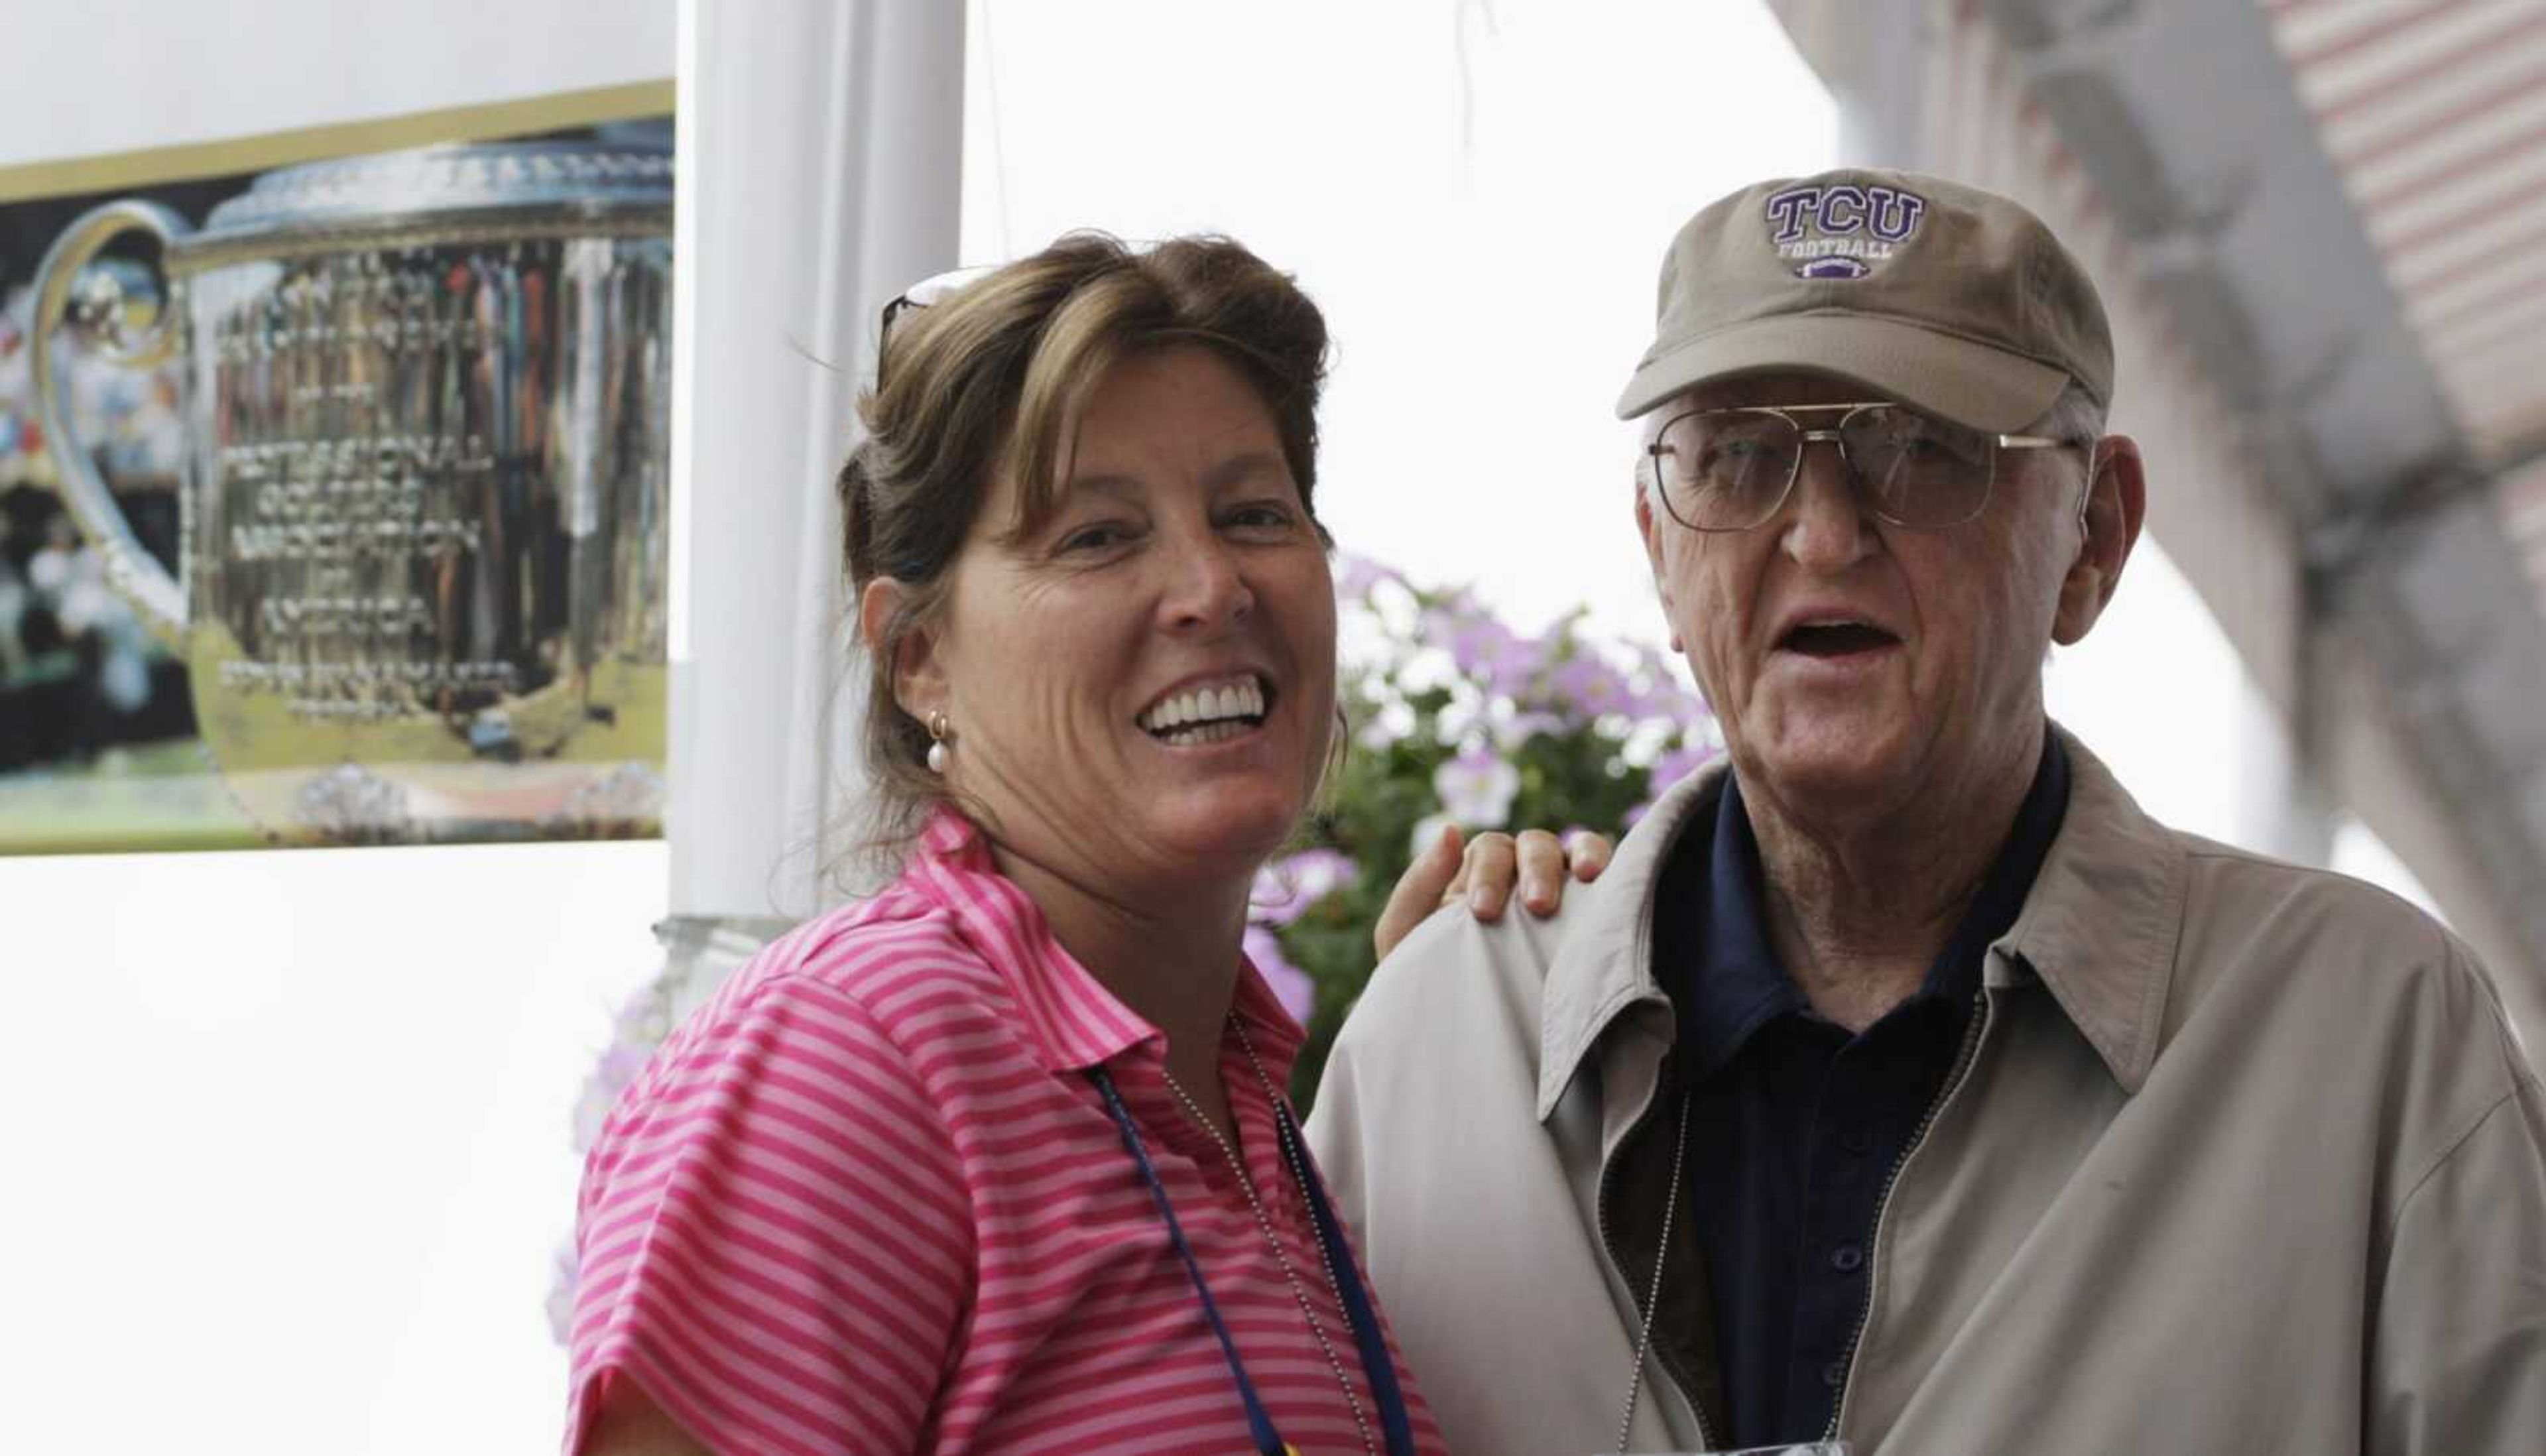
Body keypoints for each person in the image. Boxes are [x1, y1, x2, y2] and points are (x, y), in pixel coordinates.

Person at [1309, 168, 2546, 1455]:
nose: (1826, 534)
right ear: (1659, 552)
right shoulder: (1442, 1040)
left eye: (1922, 449)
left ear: (2093, 536)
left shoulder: (2366, 1031)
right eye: (1739, 455)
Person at [566, 233, 1448, 1456]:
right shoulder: (858, 1055)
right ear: (917, 655)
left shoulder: (1235, 1107)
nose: (1211, 585)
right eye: (1096, 535)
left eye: (1254, 513)